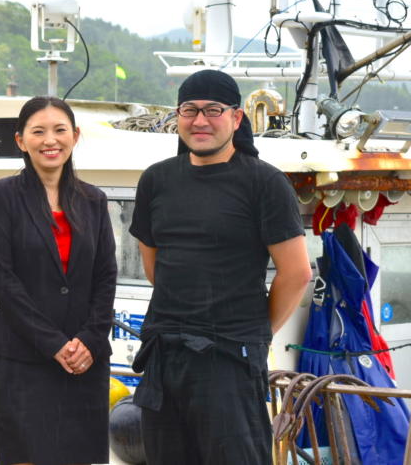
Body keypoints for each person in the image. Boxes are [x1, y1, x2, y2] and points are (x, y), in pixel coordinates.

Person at [130, 69, 313, 465]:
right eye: (190, 109)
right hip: (165, 356)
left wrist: (255, 331)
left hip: (230, 359)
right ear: (177, 116)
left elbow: (297, 273)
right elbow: (154, 264)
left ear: (235, 118)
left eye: (213, 110)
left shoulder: (264, 183)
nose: (200, 120)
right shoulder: (157, 181)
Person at [0, 96, 117, 465]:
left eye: (59, 130)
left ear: (75, 136)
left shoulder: (93, 200)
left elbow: (106, 277)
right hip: (23, 360)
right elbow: (2, 281)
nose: (50, 140)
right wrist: (54, 344)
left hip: (85, 364)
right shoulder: (0, 196)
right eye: (38, 132)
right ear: (22, 140)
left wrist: (90, 339)